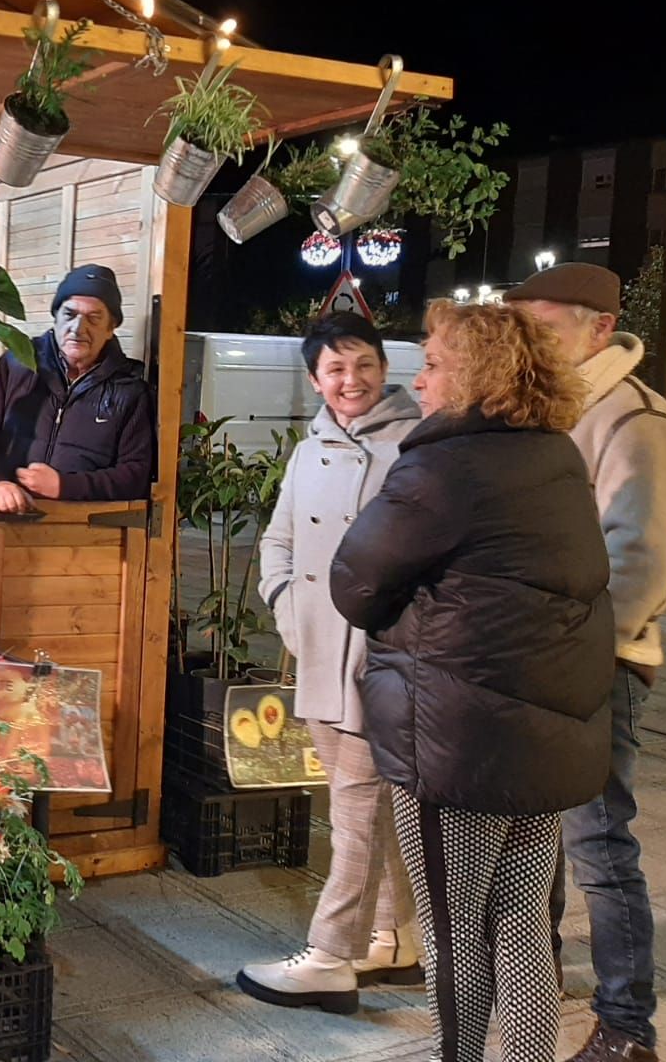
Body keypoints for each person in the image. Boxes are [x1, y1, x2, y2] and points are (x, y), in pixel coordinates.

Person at [331, 300, 614, 1062]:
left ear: (476, 377)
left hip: (454, 739)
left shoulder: (442, 466)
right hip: (543, 736)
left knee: (453, 929)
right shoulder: (555, 453)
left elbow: (355, 583)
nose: (418, 381)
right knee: (520, 923)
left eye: (432, 364)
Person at [505, 263, 666, 1062]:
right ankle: (542, 986)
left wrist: (574, 657)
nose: (533, 342)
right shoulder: (555, 406)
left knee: (599, 846)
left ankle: (627, 1030)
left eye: (549, 327)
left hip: (595, 667)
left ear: (602, 327)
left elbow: (641, 561)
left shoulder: (636, 415)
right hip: (539, 661)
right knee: (535, 837)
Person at [237, 313, 423, 1015]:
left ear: (385, 366)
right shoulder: (308, 447)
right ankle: (395, 935)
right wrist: (289, 607)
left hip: (380, 657)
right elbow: (278, 540)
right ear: (316, 380)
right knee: (362, 806)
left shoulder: (415, 442)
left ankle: (330, 955)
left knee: (356, 808)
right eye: (337, 369)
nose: (353, 380)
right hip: (317, 648)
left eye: (365, 364)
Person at [0, 264, 153, 511]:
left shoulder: (130, 390)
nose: (78, 328)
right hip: (6, 516)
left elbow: (136, 474)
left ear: (110, 328)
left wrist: (65, 485)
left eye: (94, 318)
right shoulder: (18, 362)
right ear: (56, 317)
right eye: (69, 314)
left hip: (83, 531)